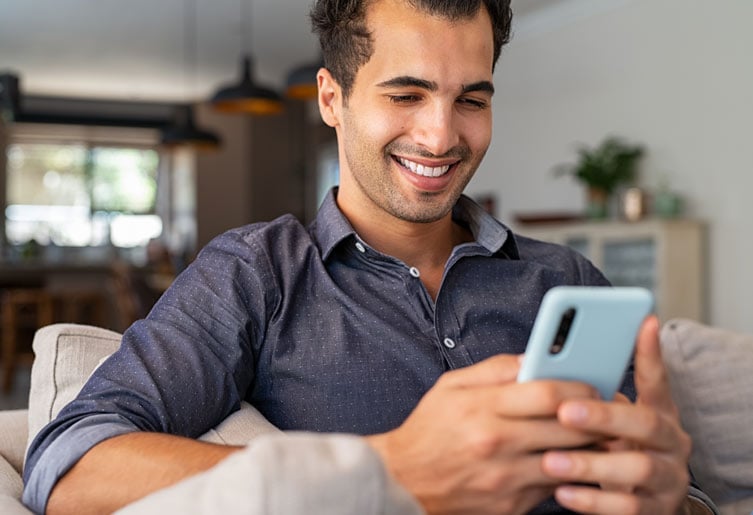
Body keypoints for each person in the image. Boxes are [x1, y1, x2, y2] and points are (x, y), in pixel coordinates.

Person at [23, 0, 716, 513]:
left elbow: (666, 488)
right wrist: (383, 469)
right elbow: (69, 465)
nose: (441, 135)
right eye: (406, 94)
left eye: (470, 98)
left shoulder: (564, 281)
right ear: (333, 98)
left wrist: (670, 496)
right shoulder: (257, 273)